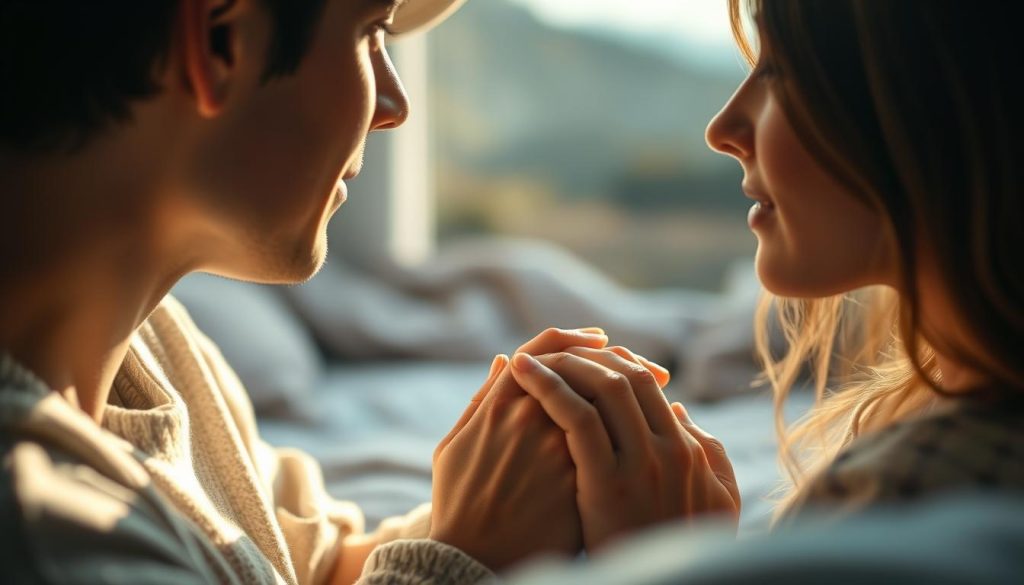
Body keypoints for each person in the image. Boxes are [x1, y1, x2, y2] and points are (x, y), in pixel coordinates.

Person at [0, 1, 677, 583]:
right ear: (219, 39)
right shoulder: (39, 528)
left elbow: (312, 564)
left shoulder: (156, 352)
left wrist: (519, 484)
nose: (394, 105)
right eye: (370, 33)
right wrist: (459, 558)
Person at [349, 0, 1024, 581]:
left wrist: (660, 564)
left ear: (933, 105)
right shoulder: (946, 445)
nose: (722, 128)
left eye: (781, 72)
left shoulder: (912, 498)